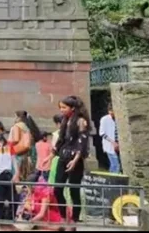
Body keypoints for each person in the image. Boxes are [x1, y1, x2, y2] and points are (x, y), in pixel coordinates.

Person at [53, 96, 91, 228]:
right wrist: (51, 155)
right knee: (57, 189)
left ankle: (74, 219)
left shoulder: (81, 121)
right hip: (63, 157)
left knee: (74, 190)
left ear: (72, 108)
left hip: (75, 159)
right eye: (60, 107)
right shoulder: (65, 120)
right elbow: (61, 140)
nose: (61, 110)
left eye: (64, 107)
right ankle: (63, 216)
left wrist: (75, 160)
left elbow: (82, 143)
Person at [99, 105, 120, 174]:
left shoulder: (119, 118)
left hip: (119, 144)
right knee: (115, 164)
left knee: (116, 165)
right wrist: (113, 142)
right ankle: (113, 182)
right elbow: (102, 133)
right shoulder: (105, 119)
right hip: (110, 145)